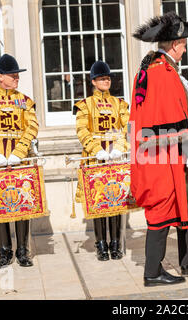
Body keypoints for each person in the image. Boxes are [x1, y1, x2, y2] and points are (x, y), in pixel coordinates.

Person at [130, 11, 188, 287]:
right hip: (161, 155)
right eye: (183, 46)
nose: (184, 51)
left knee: (179, 205)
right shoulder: (163, 73)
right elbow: (173, 117)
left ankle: (183, 261)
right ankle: (152, 272)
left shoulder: (154, 69)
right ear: (175, 45)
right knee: (161, 210)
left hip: (156, 152)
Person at [0, 54, 39, 269]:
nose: (16, 78)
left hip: (20, 161)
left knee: (23, 205)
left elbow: (32, 126)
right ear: (0, 76)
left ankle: (23, 251)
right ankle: (4, 251)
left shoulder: (24, 101)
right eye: (12, 75)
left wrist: (19, 152)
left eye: (17, 75)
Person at [74, 61, 130, 261]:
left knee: (115, 201)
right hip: (95, 158)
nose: (105, 81)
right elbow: (82, 130)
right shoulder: (85, 105)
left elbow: (127, 128)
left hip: (115, 157)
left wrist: (120, 148)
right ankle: (100, 244)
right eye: (101, 78)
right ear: (93, 81)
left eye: (107, 78)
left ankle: (115, 243)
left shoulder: (120, 104)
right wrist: (96, 150)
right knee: (98, 203)